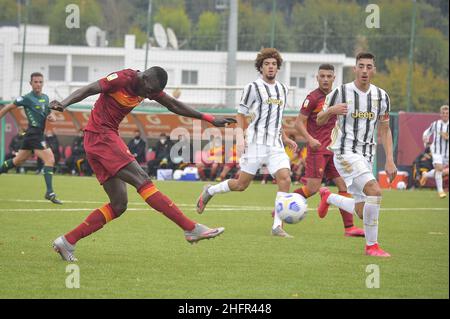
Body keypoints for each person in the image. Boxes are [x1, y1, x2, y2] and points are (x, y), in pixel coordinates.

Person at [49, 66, 235, 261]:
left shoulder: (149, 87)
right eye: (148, 92)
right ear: (143, 78)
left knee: (119, 204)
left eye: (152, 94)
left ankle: (67, 241)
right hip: (101, 137)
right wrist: (64, 103)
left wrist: (209, 118)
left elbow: (173, 104)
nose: (148, 96)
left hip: (97, 140)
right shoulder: (121, 79)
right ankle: (190, 228)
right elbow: (88, 89)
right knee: (143, 180)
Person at [196, 48, 298, 238]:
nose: (270, 67)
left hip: (275, 144)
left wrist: (284, 138)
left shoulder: (283, 89)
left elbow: (277, 117)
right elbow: (241, 114)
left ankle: (277, 226)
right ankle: (210, 190)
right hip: (256, 141)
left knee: (285, 178)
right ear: (260, 67)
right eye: (267, 64)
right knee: (242, 184)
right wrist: (241, 138)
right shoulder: (253, 87)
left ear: (278, 68)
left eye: (274, 64)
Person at [315, 52, 396, 257]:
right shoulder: (341, 92)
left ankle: (329, 197)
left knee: (362, 211)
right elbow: (319, 120)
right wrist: (331, 110)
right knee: (375, 192)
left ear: (374, 70)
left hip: (367, 157)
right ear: (355, 69)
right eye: (361, 66)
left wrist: (389, 159)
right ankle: (372, 247)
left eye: (369, 66)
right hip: (345, 153)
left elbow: (385, 129)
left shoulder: (381, 96)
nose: (365, 71)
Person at [294, 64, 365, 237]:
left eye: (329, 76)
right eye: (322, 76)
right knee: (311, 188)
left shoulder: (340, 96)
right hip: (317, 150)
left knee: (343, 186)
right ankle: (282, 207)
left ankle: (349, 228)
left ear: (334, 78)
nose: (325, 79)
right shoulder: (312, 98)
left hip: (336, 152)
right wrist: (310, 140)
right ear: (317, 78)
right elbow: (298, 123)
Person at [0, 72, 62, 204]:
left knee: (17, 161)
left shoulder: (45, 98)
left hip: (35, 134)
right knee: (50, 159)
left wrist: (52, 116)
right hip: (34, 134)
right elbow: (9, 107)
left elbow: (48, 113)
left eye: (40, 82)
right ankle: (49, 192)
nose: (38, 84)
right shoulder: (26, 98)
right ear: (31, 83)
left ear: (43, 83)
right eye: (35, 82)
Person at [421, 105, 449, 198]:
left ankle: (426, 175)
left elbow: (447, 137)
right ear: (440, 114)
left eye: (447, 113)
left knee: (441, 171)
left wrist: (447, 137)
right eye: (443, 113)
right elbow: (427, 132)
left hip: (447, 153)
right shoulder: (436, 124)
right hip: (436, 151)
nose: (445, 115)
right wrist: (425, 139)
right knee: (439, 168)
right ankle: (440, 191)